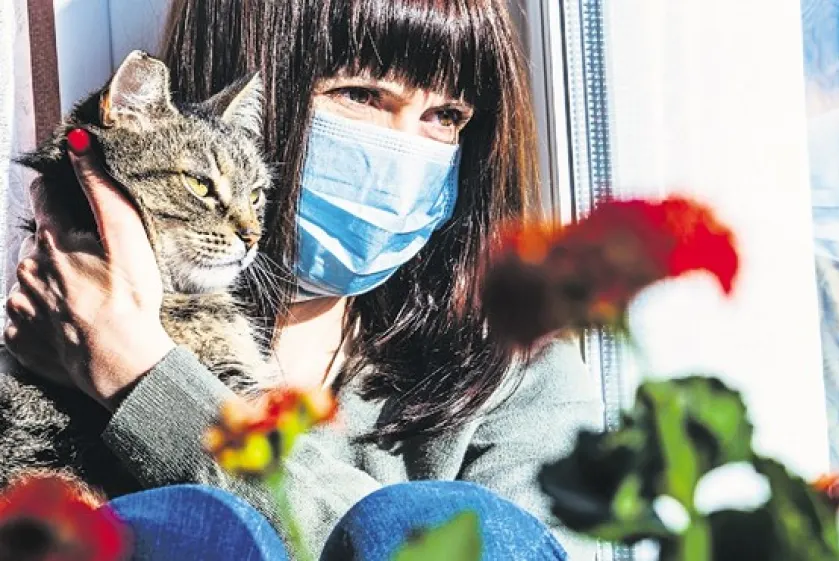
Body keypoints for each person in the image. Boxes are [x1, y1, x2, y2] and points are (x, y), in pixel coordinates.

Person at [3, 0, 604, 560]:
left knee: (425, 521)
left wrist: (142, 378)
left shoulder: (519, 376)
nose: (403, 152)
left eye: (446, 116)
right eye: (361, 95)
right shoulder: (41, 340)